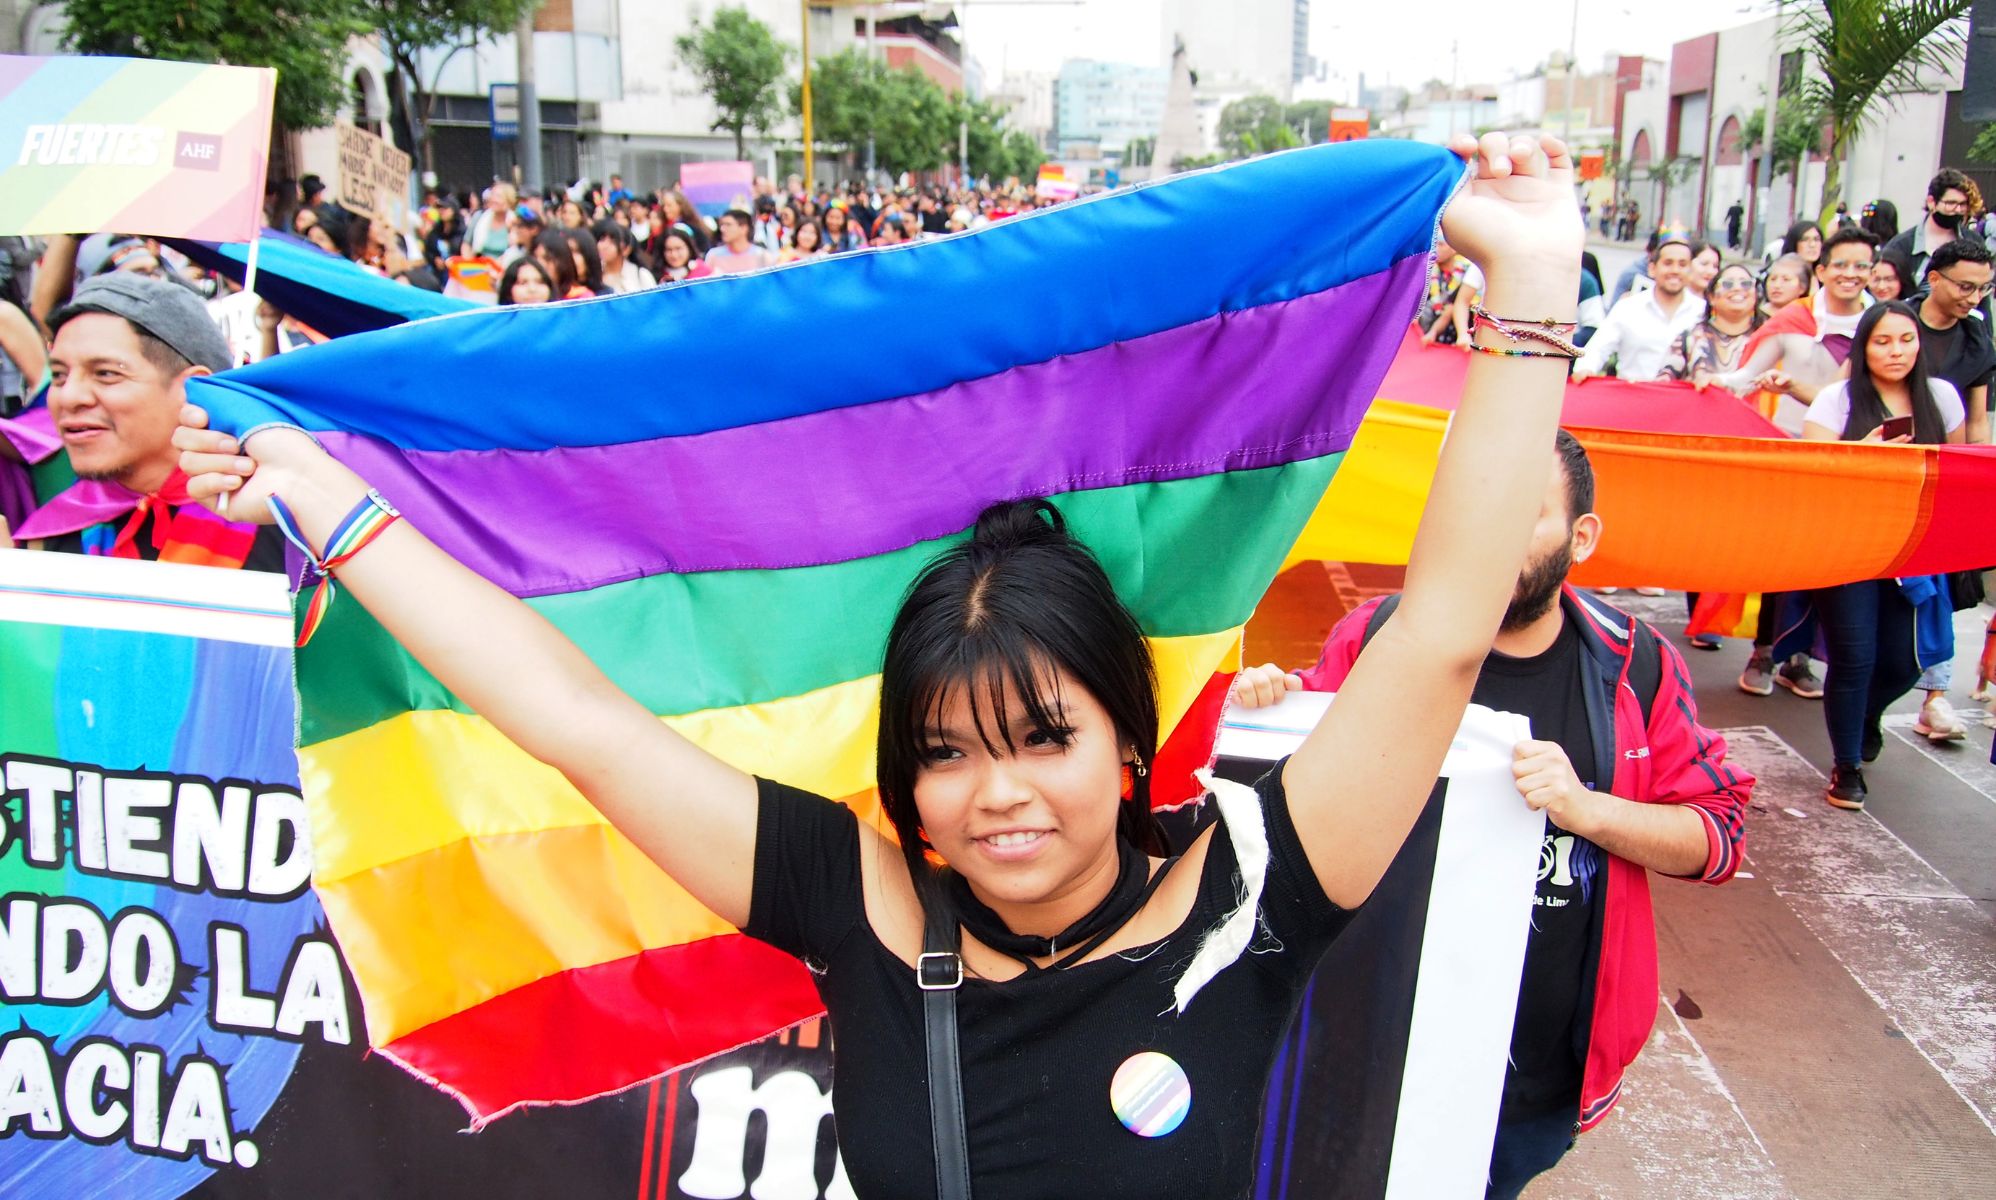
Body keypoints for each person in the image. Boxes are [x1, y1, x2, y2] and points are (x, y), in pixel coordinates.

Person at [171, 132, 1584, 1200]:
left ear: (1128, 744)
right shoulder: (860, 897)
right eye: (949, 755)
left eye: (1045, 737)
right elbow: (578, 721)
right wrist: (332, 507)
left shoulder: (1259, 883)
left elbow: (1446, 626)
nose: (1000, 795)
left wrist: (1529, 286)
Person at [1230, 431, 1750, 1200]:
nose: (1489, 540)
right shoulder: (1379, 639)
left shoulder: (1633, 664)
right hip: (1362, 1045)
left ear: (1583, 537)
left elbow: (1720, 835)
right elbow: (1292, 791)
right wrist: (1268, 705)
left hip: (1535, 1083)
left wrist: (1591, 812)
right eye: (1475, 512)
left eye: (1524, 516)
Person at [1802, 301, 1967, 809]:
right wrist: (1865, 456)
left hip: (1914, 552)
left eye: (1906, 339)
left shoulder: (1941, 397)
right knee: (1855, 658)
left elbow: (1960, 470)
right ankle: (1846, 766)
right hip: (1847, 549)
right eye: (1882, 341)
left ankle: (1866, 718)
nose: (1896, 351)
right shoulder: (1835, 401)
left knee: (1906, 662)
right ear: (1863, 347)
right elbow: (1812, 477)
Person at [9, 274, 281, 569]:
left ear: (192, 391)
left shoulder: (284, 522)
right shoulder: (46, 542)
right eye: (60, 376)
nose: (69, 397)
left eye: (106, 373)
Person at [1574, 233, 1703, 380]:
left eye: (1682, 264)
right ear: (1652, 268)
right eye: (1668, 263)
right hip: (1633, 396)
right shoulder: (1628, 308)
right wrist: (1585, 370)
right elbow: (1597, 350)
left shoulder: (1702, 312)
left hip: (1683, 399)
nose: (1675, 270)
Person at [1662, 261, 1763, 385]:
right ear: (1711, 297)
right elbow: (1663, 384)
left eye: (1746, 284)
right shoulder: (1690, 338)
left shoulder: (1768, 338)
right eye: (1728, 284)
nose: (1737, 288)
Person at [1885, 168, 1986, 281]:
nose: (1958, 210)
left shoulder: (1974, 241)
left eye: (1962, 204)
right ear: (1931, 202)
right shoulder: (1902, 245)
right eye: (1951, 203)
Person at [704, 209, 775, 276]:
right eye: (722, 225)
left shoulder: (762, 255)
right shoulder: (713, 255)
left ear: (744, 228)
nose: (722, 229)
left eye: (728, 225)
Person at [593, 220, 656, 293]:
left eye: (612, 242)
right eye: (602, 240)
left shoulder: (641, 275)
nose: (604, 246)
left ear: (626, 249)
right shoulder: (593, 274)